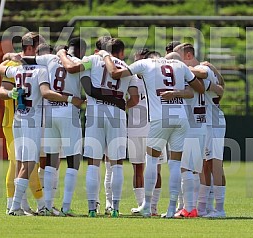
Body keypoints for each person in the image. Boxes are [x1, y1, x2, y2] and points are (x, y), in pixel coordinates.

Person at [98, 50, 205, 217]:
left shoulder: (145, 64)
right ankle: (171, 209)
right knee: (175, 164)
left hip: (160, 117)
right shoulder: (179, 65)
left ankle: (147, 205)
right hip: (181, 117)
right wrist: (178, 92)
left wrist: (105, 56)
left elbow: (115, 73)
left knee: (152, 160)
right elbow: (199, 88)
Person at [0, 49, 83, 216]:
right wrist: (71, 99)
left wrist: (9, 57)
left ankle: (20, 206)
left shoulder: (18, 70)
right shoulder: (40, 71)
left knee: (20, 163)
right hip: (32, 121)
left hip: (18, 119)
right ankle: (15, 207)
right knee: (28, 164)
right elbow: (45, 93)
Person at [20, 38, 89, 216]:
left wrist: (10, 57)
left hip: (50, 112)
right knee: (74, 159)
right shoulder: (80, 61)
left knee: (51, 159)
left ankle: (48, 205)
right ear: (81, 50)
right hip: (68, 111)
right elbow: (88, 87)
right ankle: (66, 206)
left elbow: (26, 59)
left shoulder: (48, 58)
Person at [78, 38, 139, 218]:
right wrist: (121, 105)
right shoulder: (128, 69)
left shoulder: (94, 59)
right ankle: (115, 208)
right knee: (117, 163)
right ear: (120, 52)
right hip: (117, 114)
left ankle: (91, 208)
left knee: (93, 163)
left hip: (95, 111)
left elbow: (80, 75)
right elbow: (135, 98)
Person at [175, 43, 226, 218]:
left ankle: (220, 208)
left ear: (187, 55)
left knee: (215, 164)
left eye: (178, 58)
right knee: (204, 164)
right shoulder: (194, 72)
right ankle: (203, 207)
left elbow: (205, 75)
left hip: (215, 122)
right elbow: (219, 87)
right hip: (204, 123)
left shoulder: (201, 68)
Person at [0, 32, 46, 215]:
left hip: (25, 119)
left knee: (24, 164)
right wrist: (11, 94)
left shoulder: (29, 65)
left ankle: (23, 205)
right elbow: (2, 91)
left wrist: (8, 55)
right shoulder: (15, 64)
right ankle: (13, 203)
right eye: (39, 48)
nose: (42, 52)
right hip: (13, 120)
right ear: (30, 49)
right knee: (19, 163)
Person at [129, 48, 167, 216]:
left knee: (156, 168)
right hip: (135, 127)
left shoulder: (157, 78)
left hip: (155, 127)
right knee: (138, 167)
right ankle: (140, 205)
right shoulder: (130, 78)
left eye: (140, 60)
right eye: (136, 60)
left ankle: (153, 207)